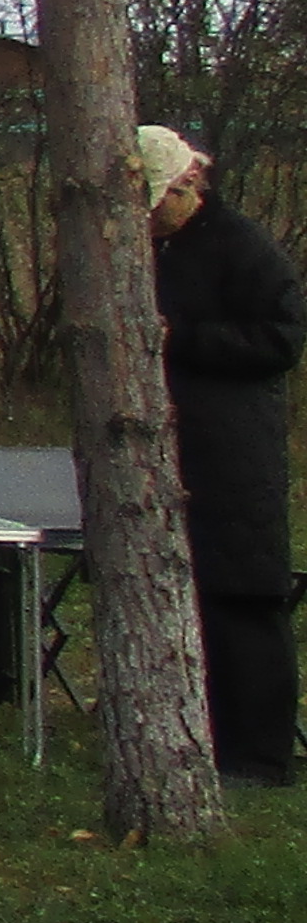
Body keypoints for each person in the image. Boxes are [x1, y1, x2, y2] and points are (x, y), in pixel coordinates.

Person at [143, 126, 303, 787]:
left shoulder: (241, 247)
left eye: (159, 201)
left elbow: (283, 337)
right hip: (175, 444)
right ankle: (208, 738)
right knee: (197, 597)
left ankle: (262, 755)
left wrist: (183, 341)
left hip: (236, 448)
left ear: (188, 185)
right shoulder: (157, 249)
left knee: (245, 600)